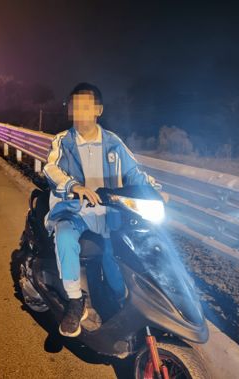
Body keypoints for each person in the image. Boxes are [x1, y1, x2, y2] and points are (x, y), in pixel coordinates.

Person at [43, 82, 154, 337]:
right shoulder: (63, 141)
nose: (80, 113)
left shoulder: (114, 143)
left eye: (86, 107)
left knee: (117, 256)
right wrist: (74, 186)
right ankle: (75, 300)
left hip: (108, 213)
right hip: (75, 210)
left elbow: (134, 173)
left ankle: (124, 303)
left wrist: (156, 191)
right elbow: (51, 169)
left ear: (98, 110)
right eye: (75, 107)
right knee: (65, 236)